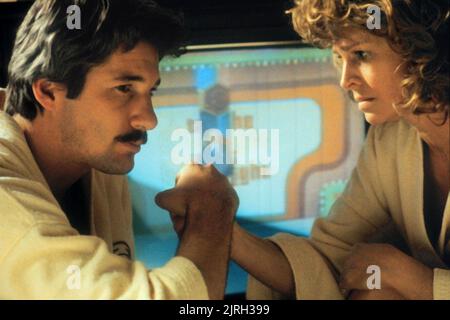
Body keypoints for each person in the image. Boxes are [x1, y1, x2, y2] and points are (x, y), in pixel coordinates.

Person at [157, 0, 449, 299]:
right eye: (340, 57)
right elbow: (329, 261)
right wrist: (219, 226)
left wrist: (419, 282)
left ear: (421, 51)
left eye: (361, 54)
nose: (345, 80)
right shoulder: (390, 138)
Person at [0, 0, 238, 299]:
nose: (149, 120)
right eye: (124, 88)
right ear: (48, 92)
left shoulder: (99, 164)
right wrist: (211, 213)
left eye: (150, 91)